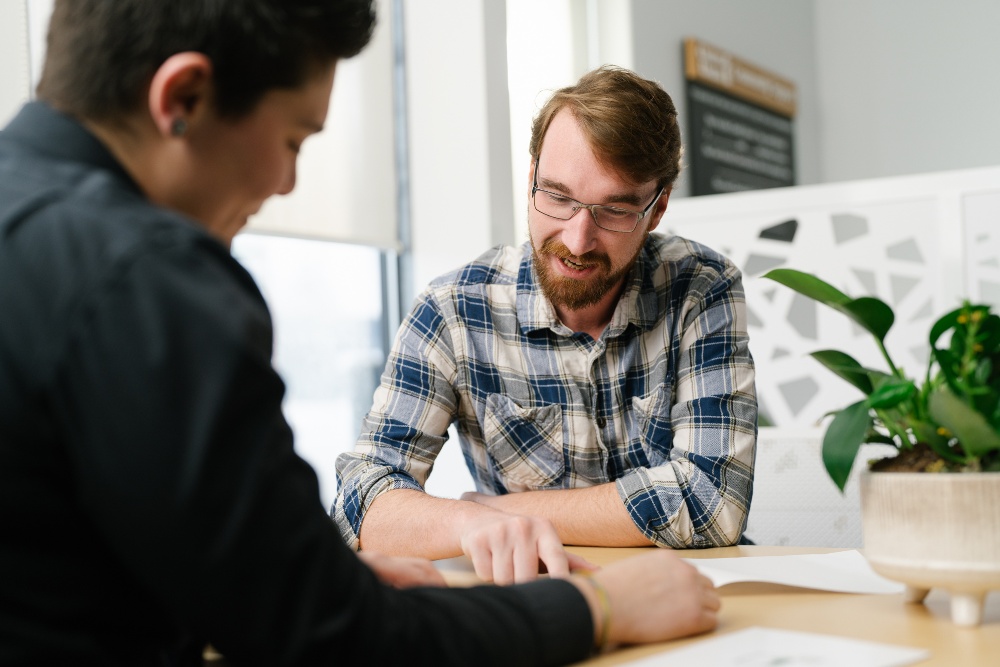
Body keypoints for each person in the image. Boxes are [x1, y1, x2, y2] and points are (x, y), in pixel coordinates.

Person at [0, 1, 721, 665]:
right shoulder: (147, 279)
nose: (285, 182)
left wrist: (286, 576)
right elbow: (339, 636)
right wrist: (595, 606)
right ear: (182, 98)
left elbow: (73, 559)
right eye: (294, 138)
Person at [334, 65, 758, 583]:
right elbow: (361, 499)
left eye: (614, 210)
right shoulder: (453, 309)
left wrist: (509, 511)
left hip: (686, 591)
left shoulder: (701, 287)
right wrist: (467, 522)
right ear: (531, 173)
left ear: (657, 207)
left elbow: (713, 504)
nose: (577, 240)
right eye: (556, 197)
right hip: (536, 604)